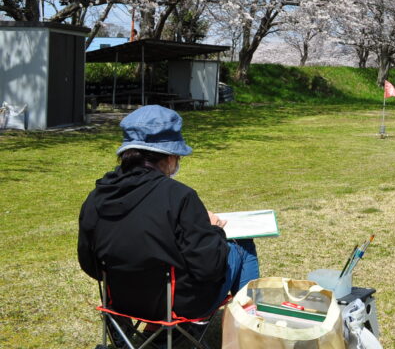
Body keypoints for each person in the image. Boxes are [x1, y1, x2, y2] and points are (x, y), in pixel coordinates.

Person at [78, 105, 259, 319]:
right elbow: (209, 268)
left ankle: (164, 337)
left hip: (119, 300)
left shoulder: (97, 196)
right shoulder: (179, 197)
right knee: (243, 245)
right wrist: (212, 230)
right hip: (176, 305)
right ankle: (252, 324)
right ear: (170, 157)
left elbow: (90, 265)